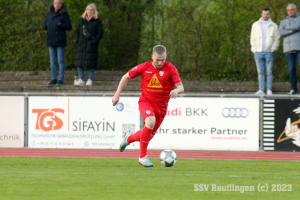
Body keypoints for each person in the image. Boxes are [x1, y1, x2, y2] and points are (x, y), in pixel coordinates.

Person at [112, 45, 184, 167]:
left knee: (148, 135)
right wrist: (117, 94)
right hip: (146, 101)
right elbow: (126, 76)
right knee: (150, 122)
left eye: (162, 60)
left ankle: (128, 139)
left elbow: (181, 87)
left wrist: (177, 91)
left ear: (166, 57)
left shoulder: (171, 68)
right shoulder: (144, 67)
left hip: (161, 107)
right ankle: (142, 157)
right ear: (152, 57)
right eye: (157, 60)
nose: (160, 62)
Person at [250, 8, 280, 95]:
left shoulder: (274, 26)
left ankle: (269, 89)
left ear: (269, 14)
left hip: (269, 52)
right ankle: (261, 90)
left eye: (267, 14)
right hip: (258, 52)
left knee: (269, 71)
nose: (265, 15)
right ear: (261, 14)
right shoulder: (255, 25)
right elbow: (252, 38)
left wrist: (272, 49)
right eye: (264, 14)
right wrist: (254, 50)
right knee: (260, 72)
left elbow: (277, 39)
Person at [43, 0, 72, 86]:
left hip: (60, 41)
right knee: (52, 61)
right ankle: (53, 78)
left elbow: (69, 26)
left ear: (62, 4)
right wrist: (45, 26)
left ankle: (61, 79)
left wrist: (60, 24)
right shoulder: (49, 14)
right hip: (50, 40)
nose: (57, 5)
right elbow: (45, 24)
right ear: (53, 4)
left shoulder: (65, 14)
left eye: (59, 3)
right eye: (56, 3)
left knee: (61, 60)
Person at [74, 3, 103, 86]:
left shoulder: (97, 21)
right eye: (88, 10)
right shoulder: (82, 21)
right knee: (79, 62)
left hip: (92, 45)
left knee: (91, 63)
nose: (90, 11)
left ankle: (90, 79)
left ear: (94, 11)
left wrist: (94, 41)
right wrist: (77, 40)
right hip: (81, 45)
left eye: (92, 10)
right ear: (86, 10)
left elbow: (100, 33)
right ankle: (81, 79)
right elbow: (77, 32)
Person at [279, 4, 300, 95]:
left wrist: (287, 28)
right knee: (291, 70)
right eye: (288, 10)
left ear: (295, 10)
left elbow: (297, 27)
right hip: (288, 49)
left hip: (299, 48)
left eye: (292, 9)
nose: (290, 11)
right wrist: (293, 30)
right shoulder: (282, 21)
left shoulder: (299, 18)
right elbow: (281, 33)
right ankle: (293, 89)